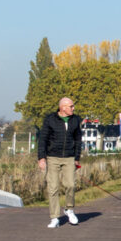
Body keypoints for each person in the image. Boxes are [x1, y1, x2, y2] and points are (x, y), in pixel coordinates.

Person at [37, 96, 86, 228]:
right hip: (52, 157)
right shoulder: (50, 119)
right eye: (71, 106)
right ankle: (54, 218)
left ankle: (69, 210)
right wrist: (41, 158)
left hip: (69, 157)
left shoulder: (75, 120)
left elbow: (78, 140)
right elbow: (43, 139)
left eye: (73, 106)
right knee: (53, 188)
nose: (73, 108)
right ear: (63, 107)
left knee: (70, 184)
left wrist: (77, 158)